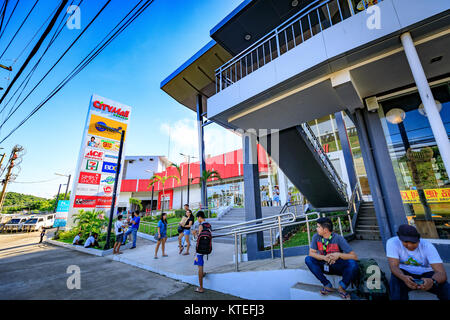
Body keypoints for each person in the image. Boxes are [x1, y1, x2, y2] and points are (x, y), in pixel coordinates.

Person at [387, 224, 450, 300]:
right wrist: (403, 277)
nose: (410, 245)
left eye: (413, 242)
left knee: (446, 290)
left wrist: (432, 281)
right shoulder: (392, 242)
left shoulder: (427, 246)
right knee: (395, 286)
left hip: (427, 273)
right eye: (406, 242)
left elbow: (442, 274)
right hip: (404, 273)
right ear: (400, 239)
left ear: (418, 240)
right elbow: (393, 266)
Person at [304, 217, 358, 300]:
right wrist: (324, 257)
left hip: (336, 265)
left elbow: (354, 256)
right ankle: (327, 285)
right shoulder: (316, 237)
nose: (316, 228)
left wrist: (338, 255)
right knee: (308, 259)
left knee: (352, 264)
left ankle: (342, 287)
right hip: (324, 264)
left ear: (325, 230)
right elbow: (311, 253)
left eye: (318, 227)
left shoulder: (338, 238)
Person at [194, 210, 208, 293]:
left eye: (197, 218)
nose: (197, 220)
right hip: (206, 247)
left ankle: (201, 288)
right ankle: (202, 273)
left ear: (199, 217)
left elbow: (198, 238)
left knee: (200, 266)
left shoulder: (201, 225)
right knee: (200, 263)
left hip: (200, 248)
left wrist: (194, 233)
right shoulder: (208, 224)